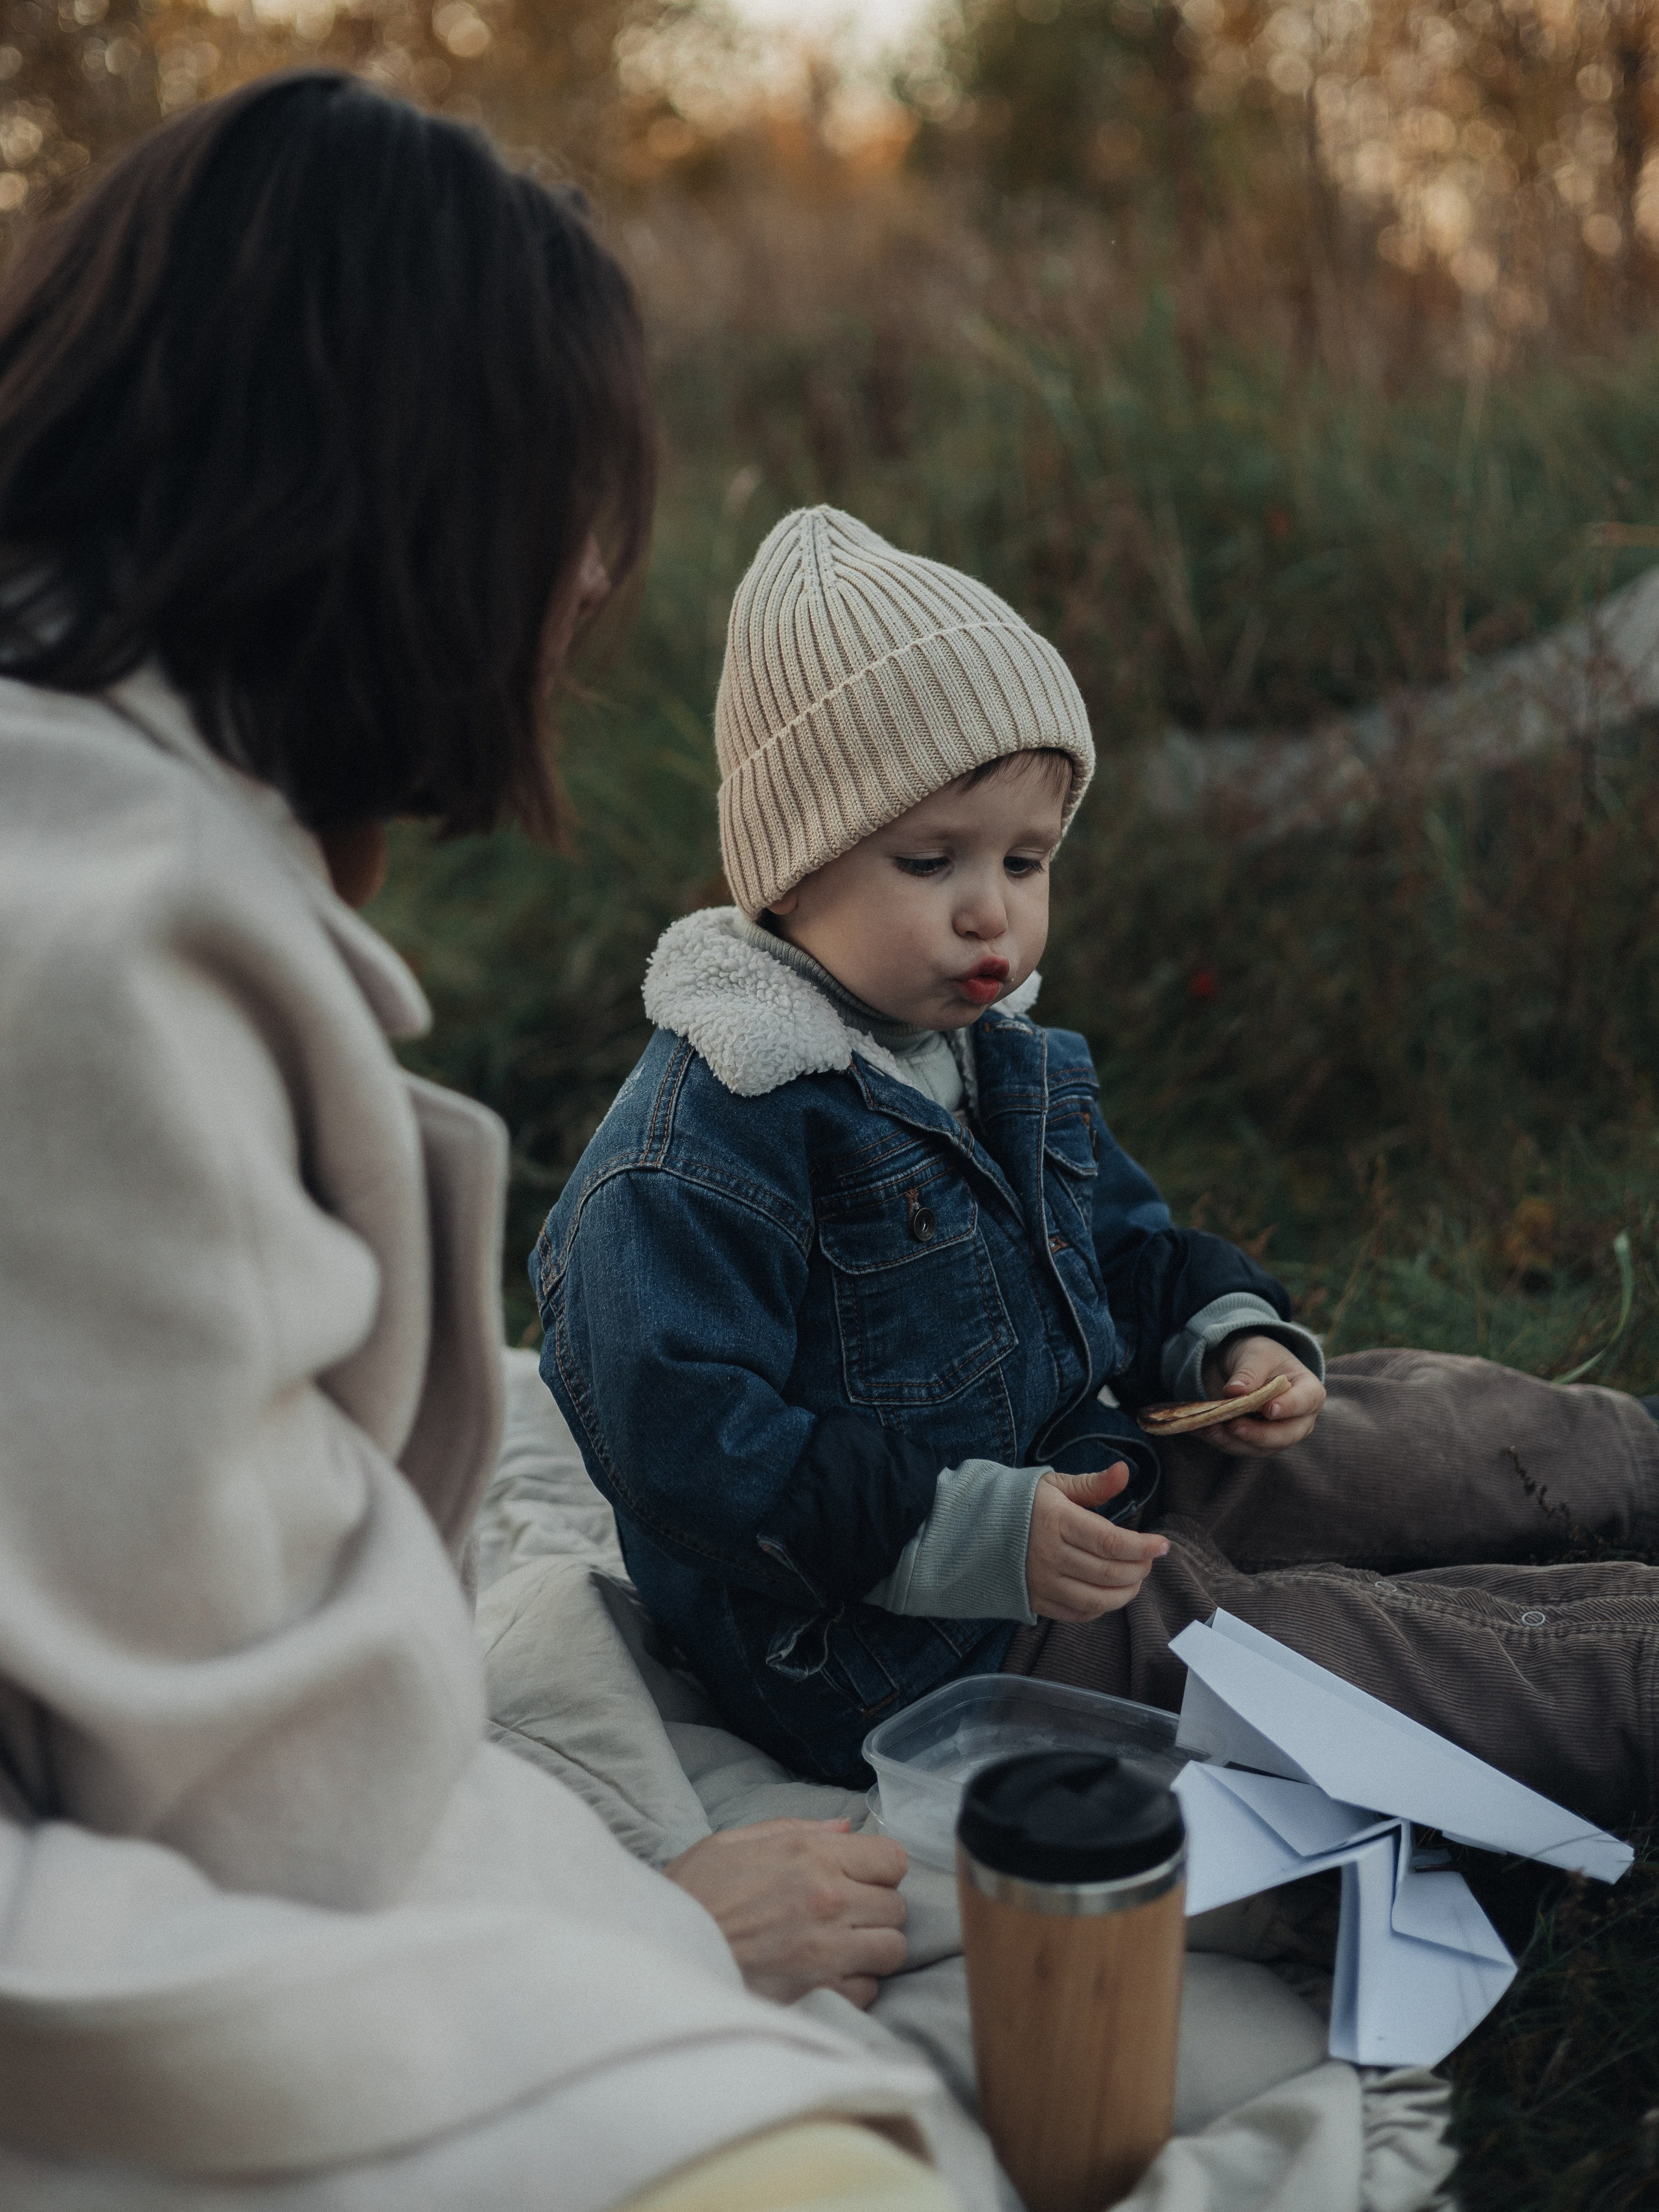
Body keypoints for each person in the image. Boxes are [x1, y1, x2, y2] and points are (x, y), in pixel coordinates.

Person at [0, 80, 961, 2212]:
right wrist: (650, 1931)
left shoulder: (78, 806)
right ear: (407, 505)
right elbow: (261, 1796)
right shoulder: (97, 953)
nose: (597, 579)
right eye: (567, 511)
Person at [533, 505, 1659, 1825]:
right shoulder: (702, 1140)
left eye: (1024, 860)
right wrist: (970, 1534)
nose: (987, 910)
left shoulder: (988, 1052)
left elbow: (1120, 1245)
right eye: (927, 860)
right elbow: (688, 1449)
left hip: (1087, 1457)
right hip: (905, 1635)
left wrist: (1218, 1338)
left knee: (1415, 1434)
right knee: (1333, 1651)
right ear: (788, 871)